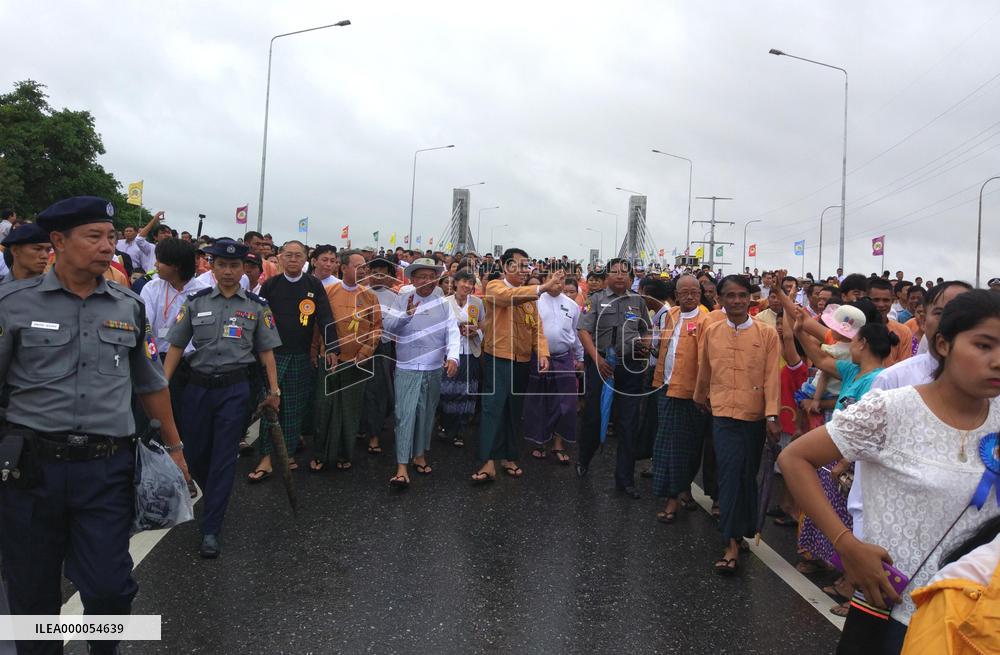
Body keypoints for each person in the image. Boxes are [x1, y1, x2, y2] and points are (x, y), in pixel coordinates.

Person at [0, 196, 188, 655]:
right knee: (32, 596)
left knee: (110, 588)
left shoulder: (127, 305)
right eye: (94, 236)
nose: (107, 246)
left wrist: (176, 449)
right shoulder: (11, 305)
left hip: (105, 470)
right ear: (58, 242)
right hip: (31, 470)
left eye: (110, 236)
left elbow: (150, 382)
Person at [779, 290, 1000, 654]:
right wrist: (845, 544)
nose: (996, 360)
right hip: (897, 610)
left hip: (977, 621)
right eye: (984, 345)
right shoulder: (892, 409)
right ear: (943, 344)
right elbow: (795, 459)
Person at [163, 238, 281, 558]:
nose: (228, 271)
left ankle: (211, 528)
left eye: (234, 266)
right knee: (197, 453)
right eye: (221, 265)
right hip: (197, 388)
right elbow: (175, 346)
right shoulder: (195, 302)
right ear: (211, 268)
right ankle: (213, 495)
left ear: (244, 269)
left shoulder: (257, 307)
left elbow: (266, 352)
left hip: (234, 389)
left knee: (224, 459)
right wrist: (162, 384)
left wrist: (274, 390)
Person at [693, 275, 781, 575]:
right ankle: (730, 543)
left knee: (746, 475)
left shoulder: (767, 334)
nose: (737, 301)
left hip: (755, 416)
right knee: (730, 474)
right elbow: (704, 368)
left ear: (750, 299)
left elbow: (772, 376)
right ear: (719, 299)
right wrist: (699, 396)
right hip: (722, 414)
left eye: (742, 295)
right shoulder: (712, 330)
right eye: (730, 296)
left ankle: (742, 528)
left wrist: (771, 416)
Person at [247, 240, 335, 483]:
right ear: (280, 258)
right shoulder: (271, 286)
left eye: (298, 255)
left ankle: (286, 453)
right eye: (288, 255)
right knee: (270, 406)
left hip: (300, 354)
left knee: (294, 408)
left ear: (306, 258)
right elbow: (259, 319)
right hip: (272, 354)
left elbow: (325, 317)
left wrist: (332, 346)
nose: (293, 259)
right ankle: (265, 457)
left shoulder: (313, 285)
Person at [472, 248, 561, 483]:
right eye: (518, 266)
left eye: (526, 266)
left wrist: (543, 353)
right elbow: (506, 298)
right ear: (505, 266)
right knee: (493, 410)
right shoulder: (494, 287)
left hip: (521, 362)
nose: (523, 271)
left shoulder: (530, 300)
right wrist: (541, 288)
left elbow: (537, 330)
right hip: (498, 358)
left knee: (513, 411)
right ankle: (487, 461)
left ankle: (509, 457)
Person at [577, 258, 652, 497]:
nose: (620, 276)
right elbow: (584, 331)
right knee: (594, 415)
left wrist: (646, 344)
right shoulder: (596, 300)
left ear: (631, 278)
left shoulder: (638, 301)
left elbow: (646, 329)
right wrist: (597, 360)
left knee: (629, 422)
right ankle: (584, 459)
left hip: (629, 366)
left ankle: (625, 479)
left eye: (625, 272)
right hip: (602, 364)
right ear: (607, 276)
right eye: (615, 272)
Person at [381, 258, 460, 489]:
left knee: (426, 415)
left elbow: (452, 333)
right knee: (404, 416)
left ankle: (419, 454)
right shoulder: (402, 299)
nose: (426, 281)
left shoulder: (444, 303)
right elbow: (388, 327)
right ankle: (402, 466)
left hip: (433, 367)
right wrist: (406, 315)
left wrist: (453, 357)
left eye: (430, 276)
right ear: (412, 279)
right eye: (421, 276)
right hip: (407, 367)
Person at [311, 250, 382, 472]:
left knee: (350, 410)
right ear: (343, 268)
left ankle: (344, 454)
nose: (363, 270)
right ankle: (320, 454)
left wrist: (366, 351)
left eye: (364, 267)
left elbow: (377, 328)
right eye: (358, 266)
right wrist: (315, 351)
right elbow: (317, 325)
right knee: (324, 408)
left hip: (357, 362)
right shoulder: (328, 292)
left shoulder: (370, 296)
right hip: (330, 359)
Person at [651, 275, 711, 522]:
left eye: (694, 292)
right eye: (684, 292)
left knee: (690, 447)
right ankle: (673, 497)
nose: (689, 296)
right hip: (665, 388)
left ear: (700, 293)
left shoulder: (707, 319)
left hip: (692, 394)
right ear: (676, 294)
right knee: (669, 446)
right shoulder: (670, 315)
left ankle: (681, 489)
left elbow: (708, 360)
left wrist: (703, 393)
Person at [139, 238, 210, 426]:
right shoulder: (151, 288)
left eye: (160, 261)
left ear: (176, 266)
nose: (155, 265)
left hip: (191, 366)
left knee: (186, 420)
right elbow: (145, 328)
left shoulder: (204, 293)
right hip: (156, 361)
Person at [523, 264, 584, 464]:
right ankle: (539, 441)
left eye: (561, 279)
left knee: (566, 403)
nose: (557, 283)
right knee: (540, 402)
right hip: (540, 358)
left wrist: (580, 358)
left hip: (564, 357)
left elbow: (575, 335)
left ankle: (558, 443)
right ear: (545, 279)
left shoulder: (572, 306)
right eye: (553, 278)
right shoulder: (535, 301)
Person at [359, 258, 399, 455]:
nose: (378, 278)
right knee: (359, 389)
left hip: (382, 348)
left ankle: (374, 435)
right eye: (375, 273)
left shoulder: (395, 297)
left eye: (383, 274)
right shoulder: (360, 292)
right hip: (358, 347)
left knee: (379, 391)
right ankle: (360, 427)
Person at [441, 269, 486, 448]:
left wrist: (476, 331)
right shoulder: (445, 303)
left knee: (468, 392)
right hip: (450, 354)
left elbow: (483, 323)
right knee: (449, 392)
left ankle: (460, 429)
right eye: (464, 282)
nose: (467, 286)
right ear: (455, 282)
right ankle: (446, 425)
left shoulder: (477, 303)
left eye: (470, 283)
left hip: (471, 352)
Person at [867, 279, 914, 366]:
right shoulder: (857, 327)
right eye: (876, 300)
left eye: (886, 300)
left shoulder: (904, 331)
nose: (881, 305)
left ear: (892, 301)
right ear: (867, 300)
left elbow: (903, 368)